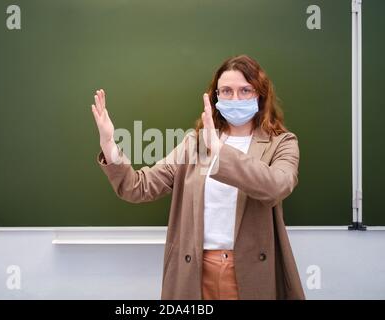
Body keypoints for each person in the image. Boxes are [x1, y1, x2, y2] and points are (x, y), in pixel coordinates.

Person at [90, 54, 305, 300]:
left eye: (245, 90)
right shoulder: (194, 144)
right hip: (195, 272)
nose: (235, 98)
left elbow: (278, 186)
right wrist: (109, 144)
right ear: (216, 97)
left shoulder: (282, 143)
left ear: (260, 95)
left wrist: (220, 151)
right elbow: (137, 187)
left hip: (251, 271)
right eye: (226, 91)